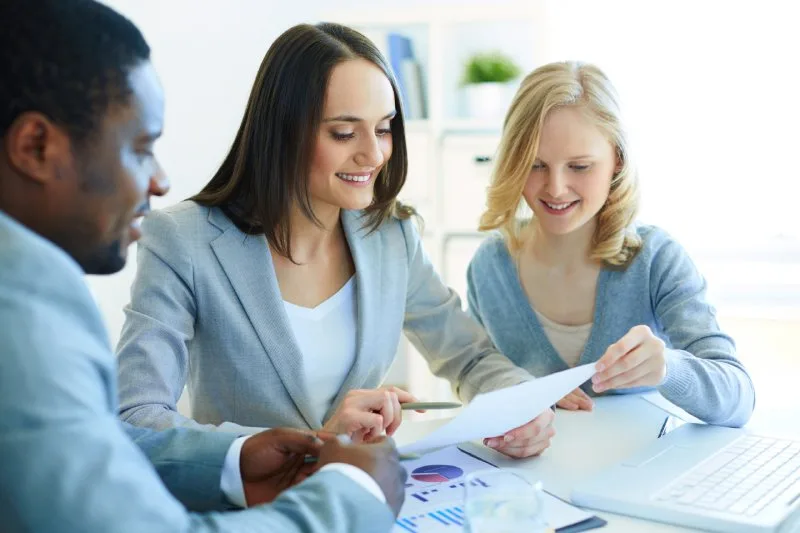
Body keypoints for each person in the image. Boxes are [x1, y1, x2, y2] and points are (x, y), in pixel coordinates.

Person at [0, 2, 406, 532]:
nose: (161, 180)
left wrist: (232, 460)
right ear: (36, 147)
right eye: (141, 149)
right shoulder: (23, 315)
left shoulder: (391, 234)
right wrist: (354, 491)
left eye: (385, 128)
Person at [115, 22, 554, 457]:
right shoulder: (182, 241)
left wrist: (521, 403)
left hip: (360, 496)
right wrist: (312, 446)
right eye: (344, 133)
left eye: (383, 128)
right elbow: (137, 415)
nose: (374, 153)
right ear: (283, 132)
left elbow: (470, 357)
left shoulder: (391, 236)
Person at [466, 61, 755, 426]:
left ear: (617, 160)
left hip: (642, 475)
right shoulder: (491, 267)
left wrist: (668, 368)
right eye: (536, 165)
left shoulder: (655, 258)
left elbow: (738, 399)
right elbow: (478, 381)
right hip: (536, 478)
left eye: (580, 167)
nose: (555, 188)